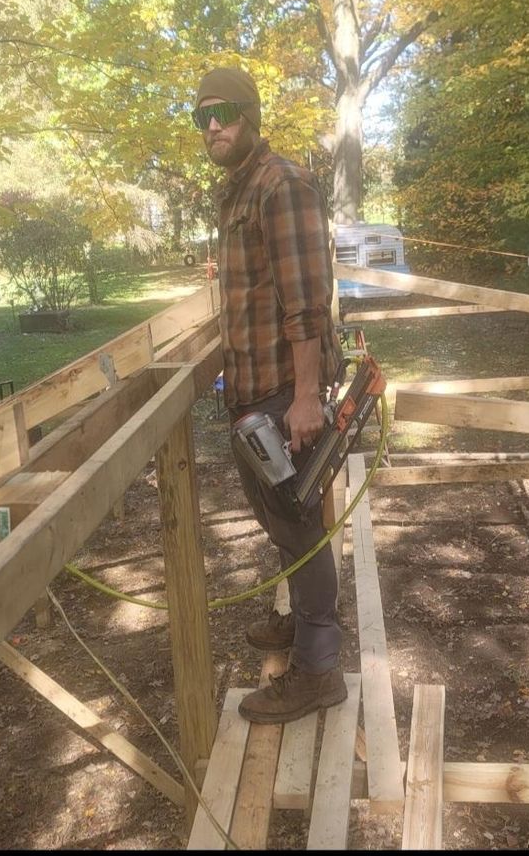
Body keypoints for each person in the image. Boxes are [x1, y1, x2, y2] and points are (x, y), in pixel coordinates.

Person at [193, 66, 346, 724]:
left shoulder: (280, 183)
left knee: (300, 525)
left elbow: (305, 302)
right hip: (254, 396)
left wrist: (306, 398)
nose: (211, 126)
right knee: (281, 522)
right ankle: (304, 627)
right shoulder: (238, 190)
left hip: (286, 395)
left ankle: (318, 671)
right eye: (200, 116)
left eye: (223, 112)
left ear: (251, 115)